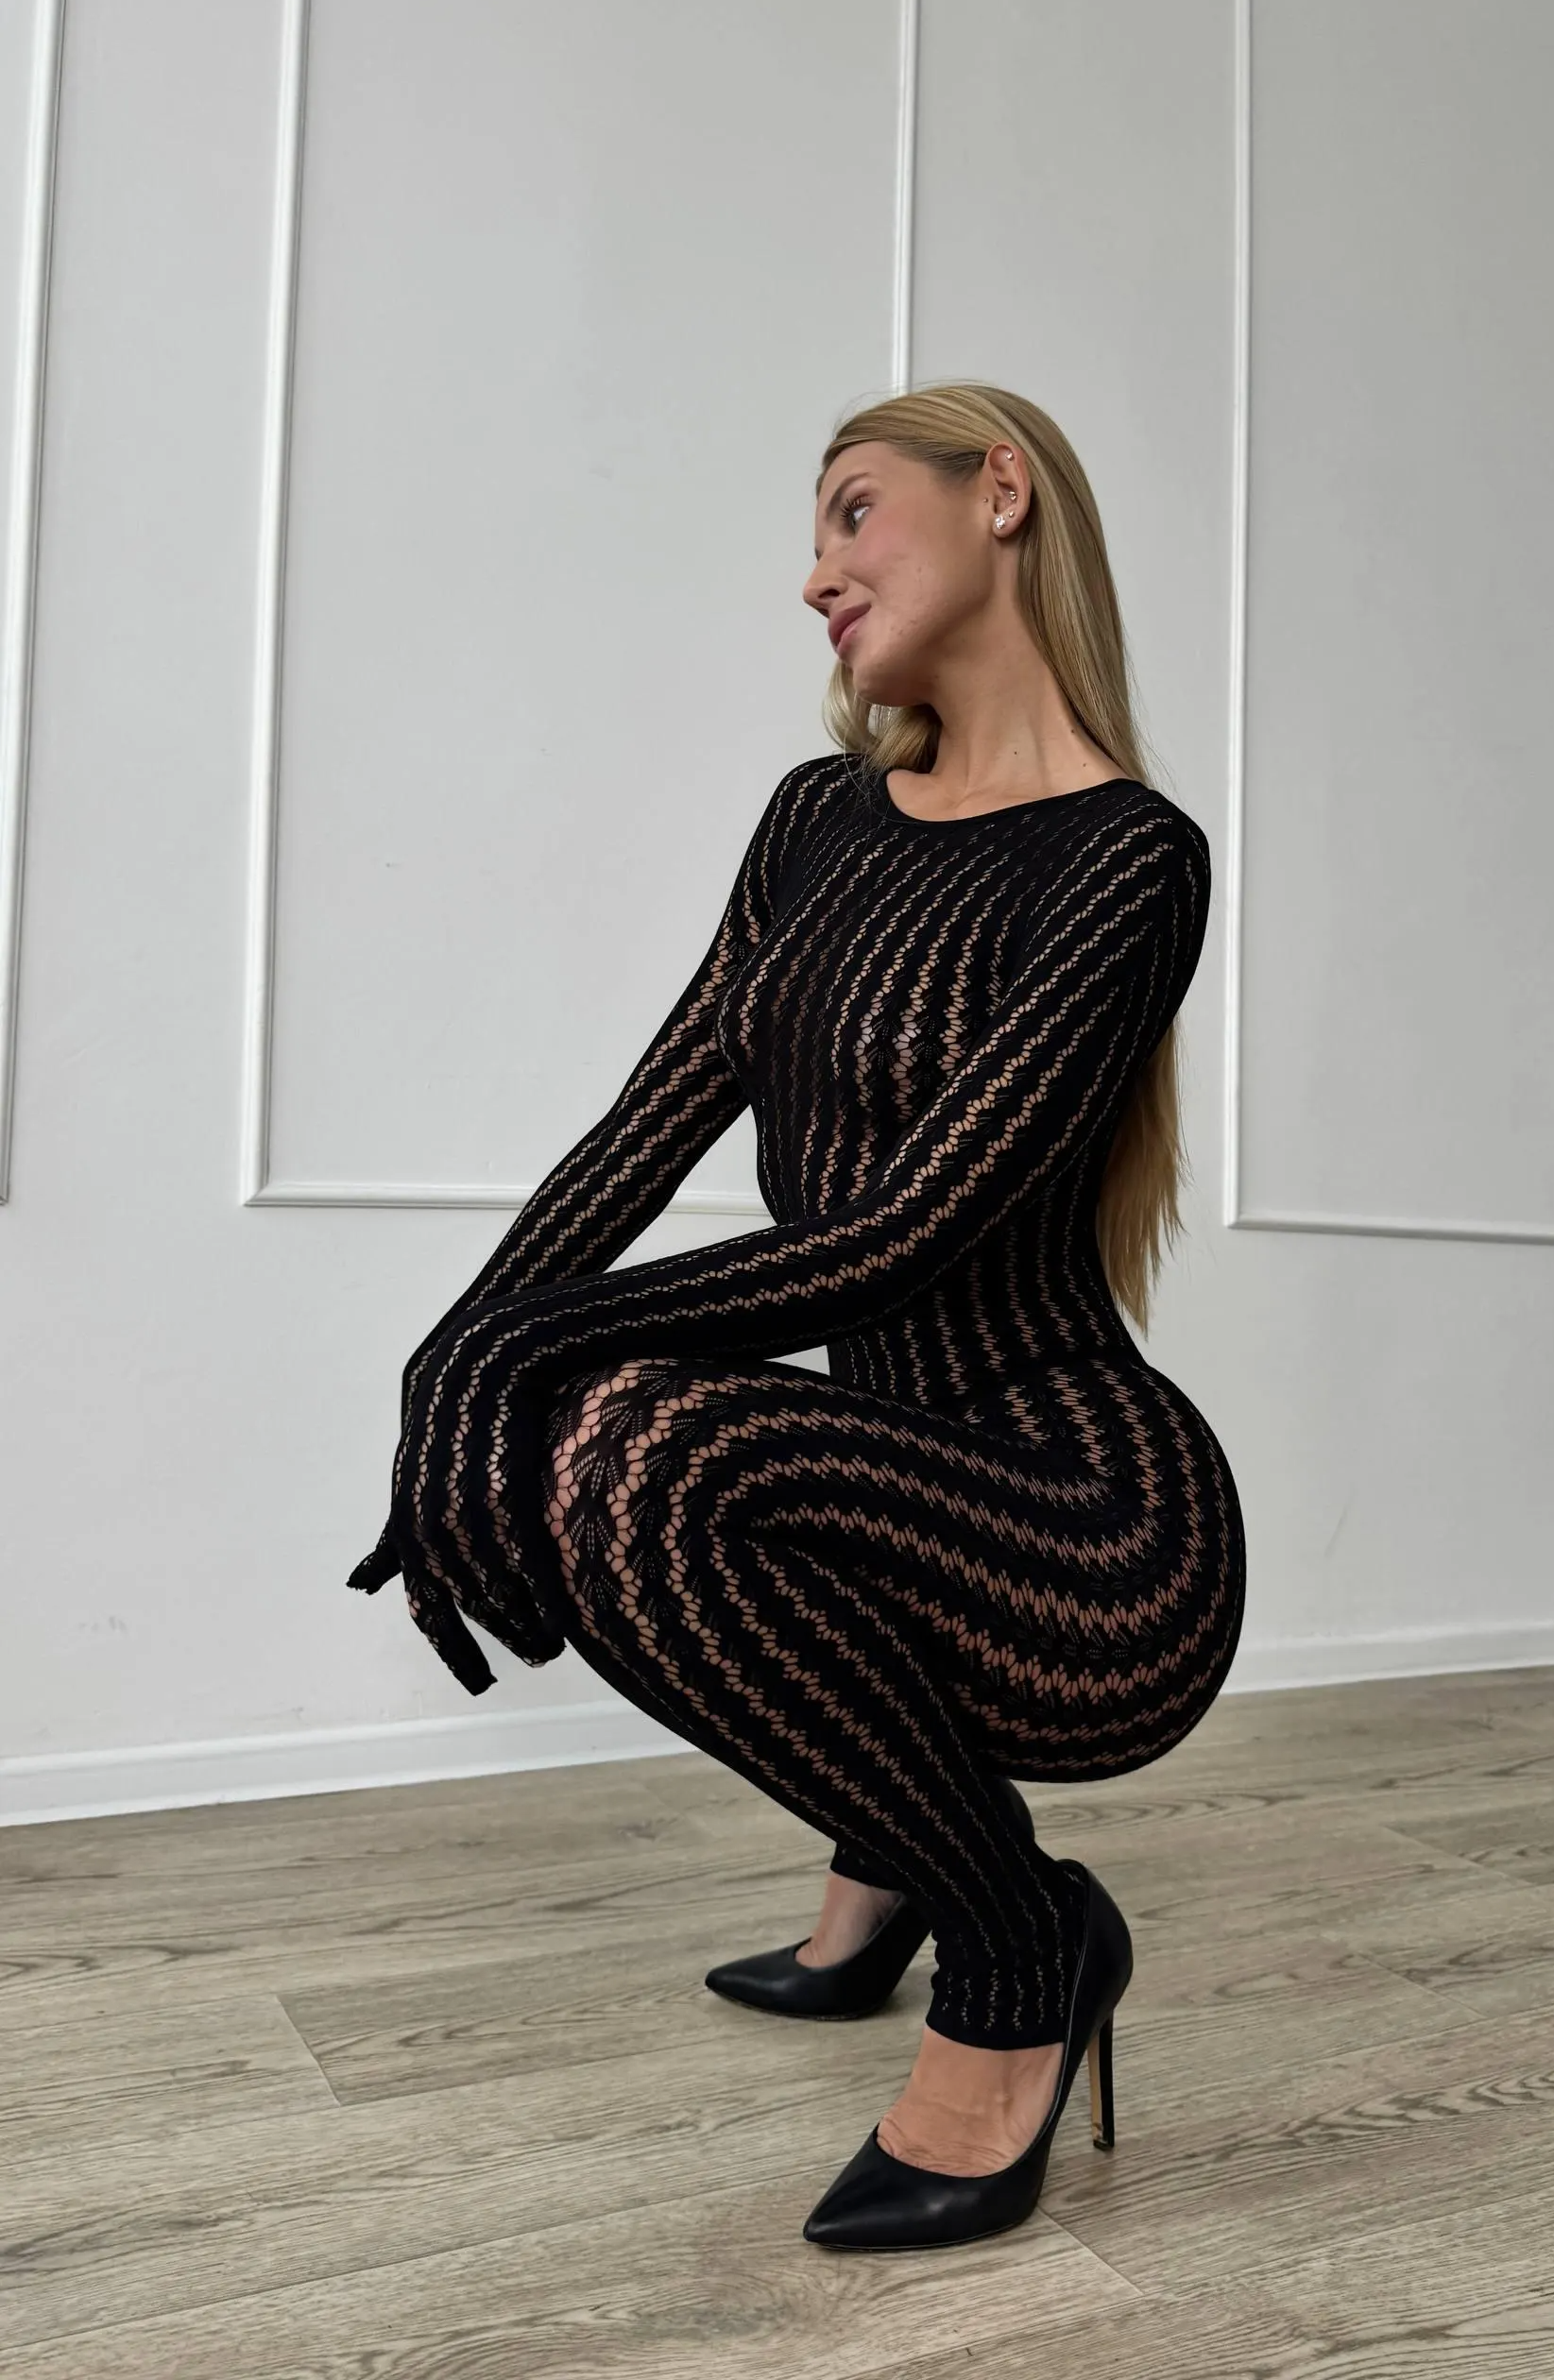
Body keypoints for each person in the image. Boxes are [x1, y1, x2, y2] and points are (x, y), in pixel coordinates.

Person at [348, 381, 1245, 2251]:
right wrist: (451, 1362)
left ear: (1002, 492)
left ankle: (1024, 1938)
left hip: (1094, 1533)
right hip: (892, 1479)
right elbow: (645, 1127)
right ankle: (890, 1864)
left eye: (852, 513)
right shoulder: (816, 823)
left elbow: (907, 1237)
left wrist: (531, 1357)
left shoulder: (1130, 857)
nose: (815, 574)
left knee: (638, 1443)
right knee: (598, 1421)